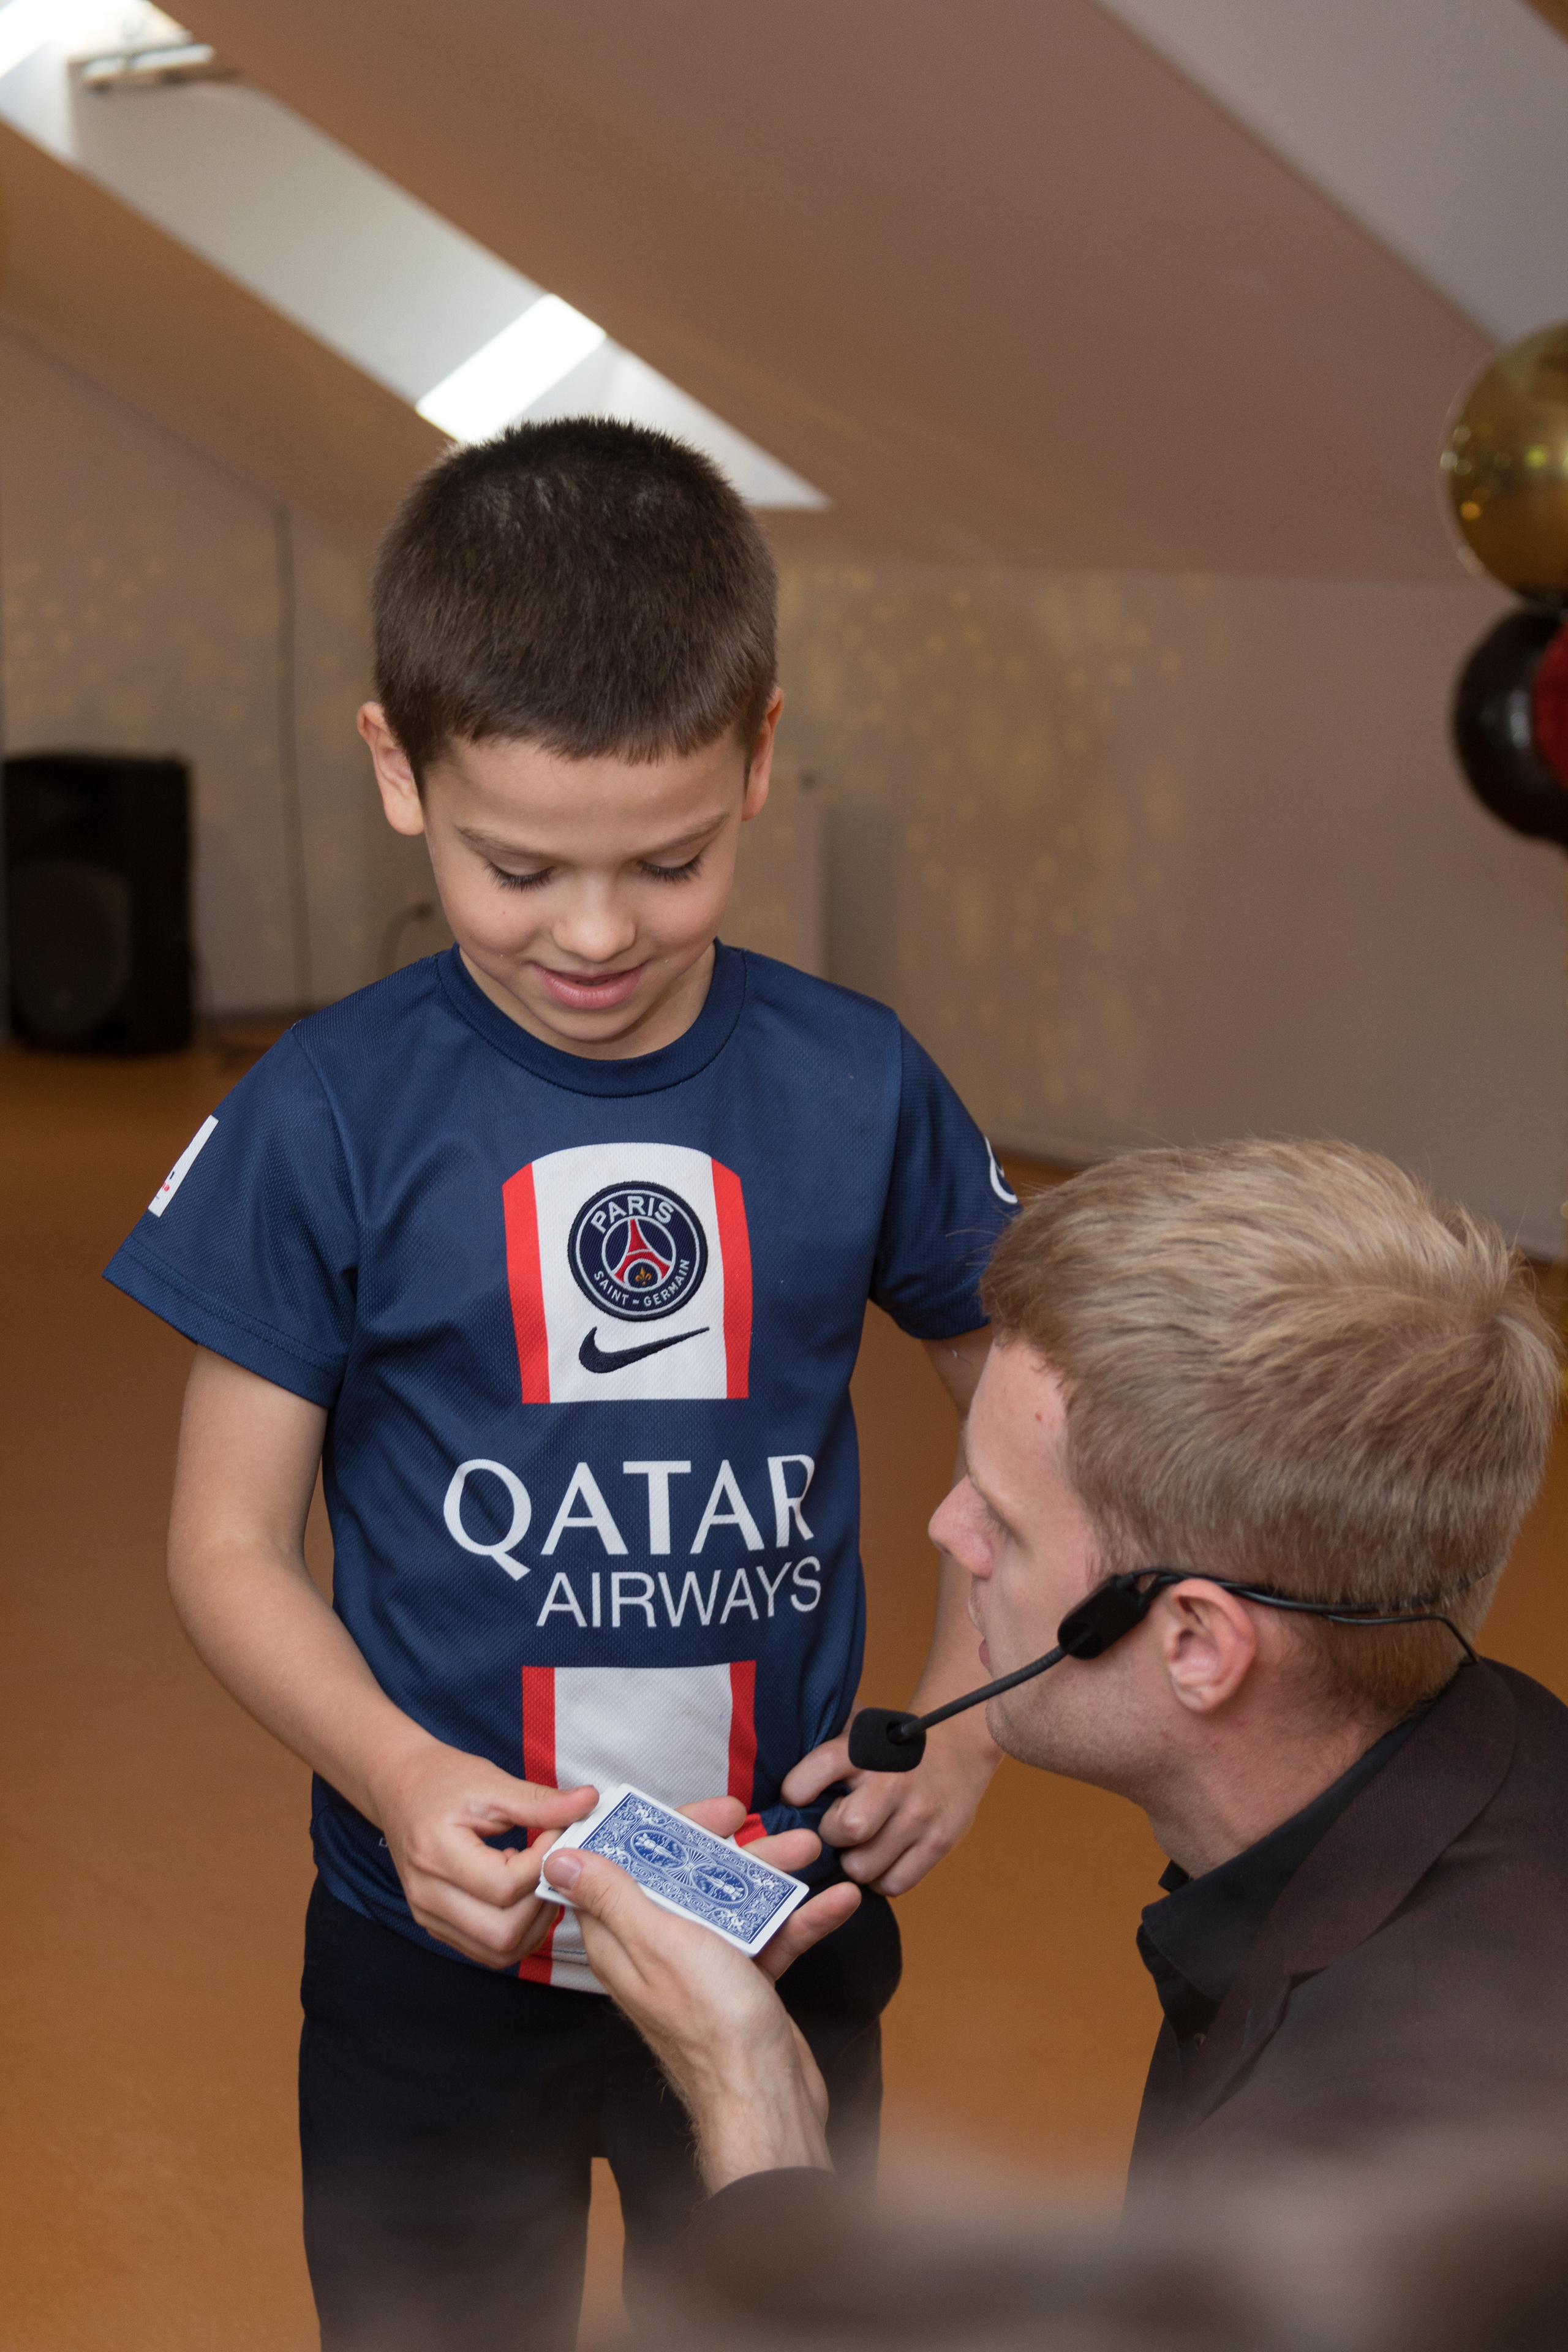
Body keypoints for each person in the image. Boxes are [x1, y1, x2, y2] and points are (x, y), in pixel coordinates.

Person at [102, 420, 1014, 2351]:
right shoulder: (326, 1113)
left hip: (780, 1916)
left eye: (667, 863)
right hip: (428, 1953)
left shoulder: (857, 1083)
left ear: (758, 756)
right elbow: (224, 1540)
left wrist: (976, 1714)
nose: (592, 935)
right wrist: (400, 1772)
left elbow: (1046, 1417)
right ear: (394, 771)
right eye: (515, 867)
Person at [541, 1138, 1568, 2221]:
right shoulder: (1513, 1755)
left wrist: (748, 2099)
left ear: (1197, 1646)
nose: (946, 1528)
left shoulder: (1364, 2162)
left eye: (1005, 1520)